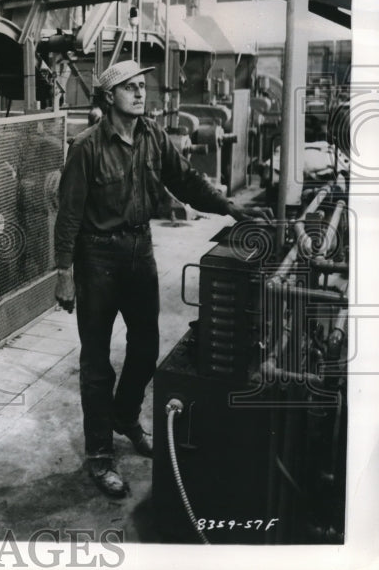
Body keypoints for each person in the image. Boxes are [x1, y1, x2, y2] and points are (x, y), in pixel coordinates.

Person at [54, 60, 270, 498]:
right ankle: (99, 456)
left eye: (141, 86)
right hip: (97, 257)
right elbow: (69, 214)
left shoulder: (152, 136)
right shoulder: (86, 147)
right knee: (96, 362)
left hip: (139, 250)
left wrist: (229, 206)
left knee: (147, 345)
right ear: (109, 96)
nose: (140, 93)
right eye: (129, 88)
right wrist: (64, 272)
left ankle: (125, 414)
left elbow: (184, 180)